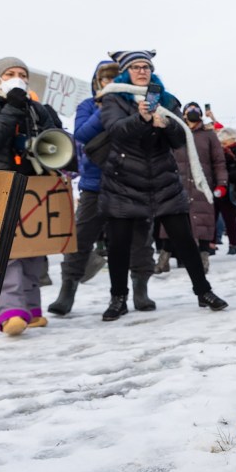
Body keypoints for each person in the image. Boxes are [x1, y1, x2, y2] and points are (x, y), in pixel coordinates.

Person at [96, 49, 228, 320]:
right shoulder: (114, 97)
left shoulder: (166, 99)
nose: (142, 71)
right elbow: (115, 131)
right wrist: (141, 118)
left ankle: (203, 291)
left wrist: (165, 124)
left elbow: (180, 139)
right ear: (125, 72)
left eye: (146, 67)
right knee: (118, 244)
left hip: (162, 179)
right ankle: (118, 298)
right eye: (136, 67)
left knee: (184, 239)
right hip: (124, 180)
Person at [48, 60, 158, 316]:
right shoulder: (88, 105)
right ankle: (67, 292)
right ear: (97, 83)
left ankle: (141, 290)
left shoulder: (136, 104)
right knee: (81, 238)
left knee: (140, 239)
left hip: (133, 182)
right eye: (104, 80)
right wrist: (107, 104)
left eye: (115, 79)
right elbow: (82, 133)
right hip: (95, 183)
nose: (109, 84)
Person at [0, 56, 62, 335]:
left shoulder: (37, 108)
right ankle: (10, 311)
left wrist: (41, 114)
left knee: (33, 247)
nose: (18, 77)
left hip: (35, 183)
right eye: (10, 73)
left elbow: (57, 140)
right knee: (6, 250)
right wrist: (13, 106)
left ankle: (32, 310)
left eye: (22, 73)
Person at [156, 101, 226, 273]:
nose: (193, 112)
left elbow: (218, 161)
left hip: (202, 184)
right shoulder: (176, 131)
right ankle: (163, 259)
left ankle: (203, 259)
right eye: (190, 110)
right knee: (171, 222)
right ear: (184, 114)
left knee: (203, 222)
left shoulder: (209, 135)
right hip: (176, 184)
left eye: (196, 110)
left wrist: (222, 183)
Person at [217, 127, 236, 255]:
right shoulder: (227, 152)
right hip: (230, 191)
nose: (222, 145)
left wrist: (229, 175)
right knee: (230, 218)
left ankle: (235, 244)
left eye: (224, 142)